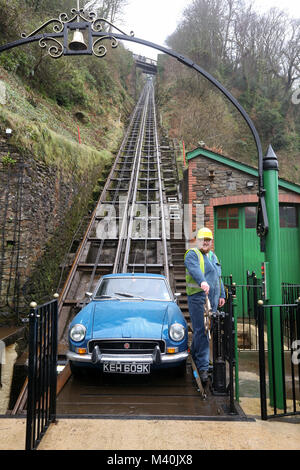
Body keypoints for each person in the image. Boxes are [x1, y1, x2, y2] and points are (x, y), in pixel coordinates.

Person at [184, 227, 226, 383]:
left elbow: (218, 276)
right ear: (197, 241)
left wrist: (222, 294)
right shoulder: (192, 254)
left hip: (213, 300)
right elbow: (195, 270)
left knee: (205, 330)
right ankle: (203, 367)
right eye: (203, 239)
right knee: (202, 331)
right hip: (198, 298)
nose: (206, 242)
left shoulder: (213, 256)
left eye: (208, 240)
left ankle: (194, 355)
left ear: (211, 242)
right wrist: (202, 281)